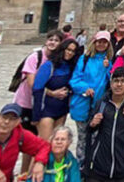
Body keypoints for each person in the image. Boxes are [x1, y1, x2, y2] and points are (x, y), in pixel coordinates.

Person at [14, 31, 63, 170]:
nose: (53, 42)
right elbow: (32, 83)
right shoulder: (35, 57)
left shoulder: (57, 60)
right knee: (27, 142)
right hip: (26, 103)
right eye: (51, 39)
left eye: (56, 40)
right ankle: (24, 172)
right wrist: (52, 93)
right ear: (46, 41)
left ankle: (34, 171)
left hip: (41, 105)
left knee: (39, 140)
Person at [69, 30, 112, 163]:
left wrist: (107, 68)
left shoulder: (108, 61)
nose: (101, 44)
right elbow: (75, 79)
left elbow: (111, 82)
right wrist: (85, 88)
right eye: (99, 41)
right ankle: (81, 164)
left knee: (96, 136)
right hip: (83, 103)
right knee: (82, 137)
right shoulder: (85, 59)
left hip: (99, 105)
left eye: (104, 42)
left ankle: (93, 164)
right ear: (94, 42)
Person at [33, 39, 80, 143]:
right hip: (46, 110)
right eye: (68, 49)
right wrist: (35, 116)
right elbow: (37, 89)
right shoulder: (49, 66)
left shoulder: (71, 67)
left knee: (56, 145)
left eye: (73, 51)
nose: (70, 53)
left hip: (62, 111)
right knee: (45, 145)